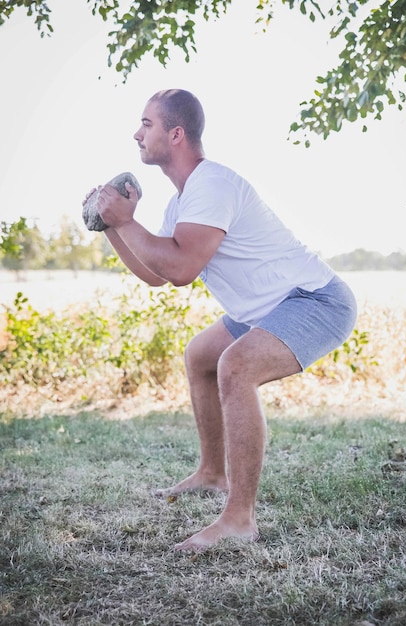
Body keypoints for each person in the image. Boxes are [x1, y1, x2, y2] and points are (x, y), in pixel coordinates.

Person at [85, 89, 357, 552]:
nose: (137, 133)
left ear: (176, 134)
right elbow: (158, 275)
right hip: (268, 307)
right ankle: (212, 473)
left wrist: (127, 220)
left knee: (235, 366)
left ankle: (239, 519)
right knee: (201, 356)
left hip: (315, 300)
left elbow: (182, 266)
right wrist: (112, 225)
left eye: (146, 124)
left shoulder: (212, 185)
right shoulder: (182, 203)